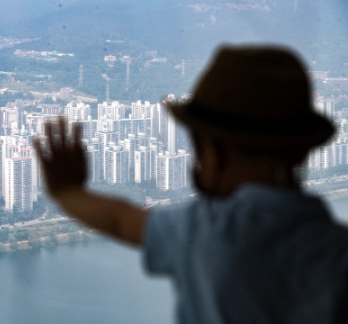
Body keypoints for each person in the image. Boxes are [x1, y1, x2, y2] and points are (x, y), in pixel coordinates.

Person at [33, 45, 348, 323]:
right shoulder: (337, 251)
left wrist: (67, 190)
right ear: (303, 150)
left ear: (213, 150)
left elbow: (120, 219)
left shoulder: (207, 231)